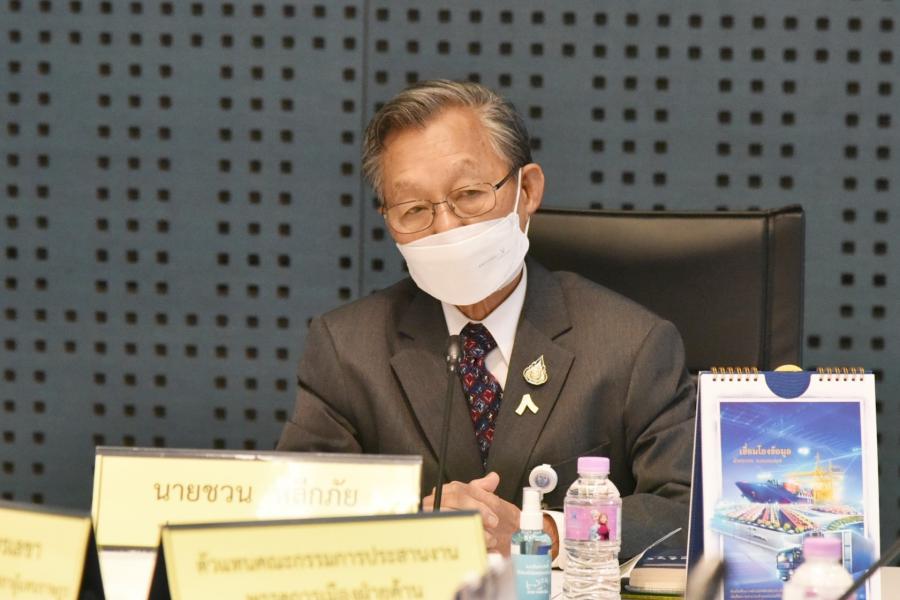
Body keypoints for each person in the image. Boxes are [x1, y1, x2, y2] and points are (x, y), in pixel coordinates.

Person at [277, 79, 695, 560]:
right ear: (388, 219)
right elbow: (293, 512)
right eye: (414, 209)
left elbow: (684, 508)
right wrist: (410, 523)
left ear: (527, 190)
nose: (446, 227)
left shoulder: (631, 344)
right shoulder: (347, 348)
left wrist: (546, 533)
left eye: (469, 194)